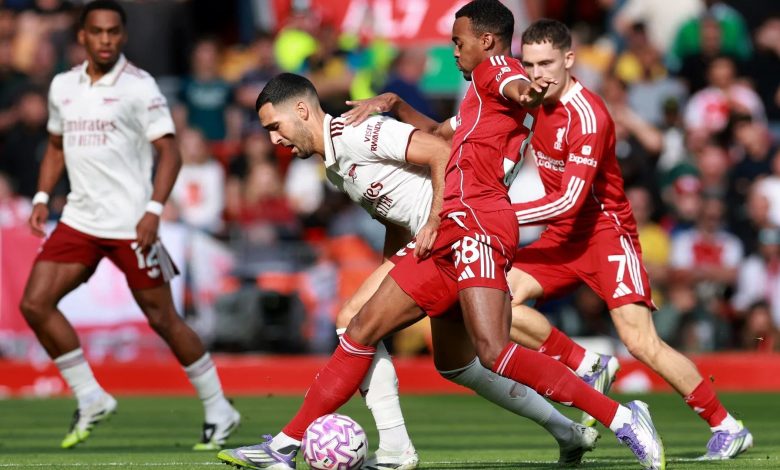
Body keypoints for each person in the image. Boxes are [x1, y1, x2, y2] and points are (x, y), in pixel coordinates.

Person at [218, 2, 663, 469]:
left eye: (457, 41)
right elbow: (437, 132)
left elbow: (486, 112)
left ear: (486, 40)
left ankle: (621, 416)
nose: (452, 51)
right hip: (453, 229)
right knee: (403, 342)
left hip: (473, 221)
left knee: (485, 349)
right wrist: (393, 102)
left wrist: (530, 95)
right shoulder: (475, 99)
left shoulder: (495, 70)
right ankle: (292, 446)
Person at [234, 72, 601, 469]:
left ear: (302, 110)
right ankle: (569, 431)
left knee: (354, 323)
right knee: (459, 364)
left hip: (450, 235)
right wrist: (391, 267)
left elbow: (441, 153)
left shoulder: (359, 132)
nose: (274, 139)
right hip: (432, 242)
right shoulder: (334, 167)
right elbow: (393, 218)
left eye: (275, 126)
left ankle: (356, 447)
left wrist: (434, 220)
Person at [504, 19, 751, 459]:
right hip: (564, 236)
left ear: (569, 60)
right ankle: (588, 364)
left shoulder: (589, 115)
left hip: (605, 234)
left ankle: (727, 426)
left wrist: (499, 215)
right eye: (529, 63)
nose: (537, 73)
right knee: (499, 302)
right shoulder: (531, 97)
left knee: (641, 342)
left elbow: (569, 201)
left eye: (546, 63)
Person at [18, 0, 239, 451]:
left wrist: (154, 210)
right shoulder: (62, 86)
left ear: (123, 36)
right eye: (96, 32)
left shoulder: (139, 86)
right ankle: (91, 395)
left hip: (130, 222)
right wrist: (43, 196)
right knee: (34, 304)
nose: (105, 40)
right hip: (80, 218)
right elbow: (57, 146)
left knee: (164, 319)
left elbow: (171, 151)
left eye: (113, 32)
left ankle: (220, 408)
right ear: (81, 36)